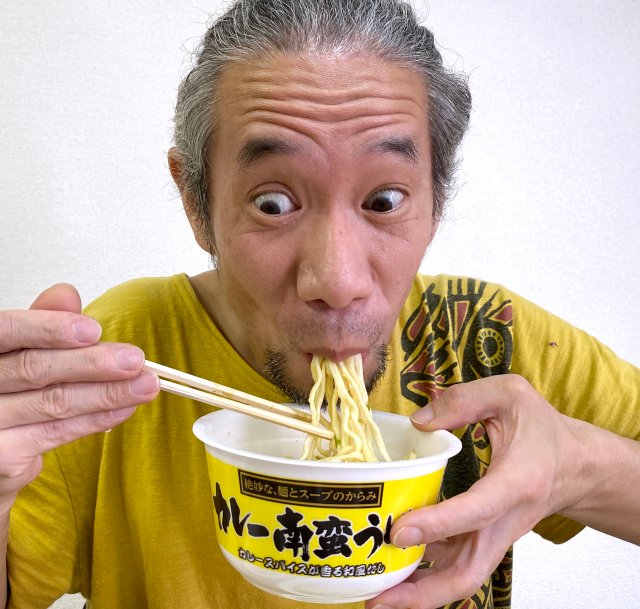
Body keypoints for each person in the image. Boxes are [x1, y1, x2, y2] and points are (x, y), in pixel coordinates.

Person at [2, 0, 639, 608]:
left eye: (384, 201)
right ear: (197, 203)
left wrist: (583, 469)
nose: (336, 280)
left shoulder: (482, 340)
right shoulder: (123, 358)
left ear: (436, 202)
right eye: (273, 203)